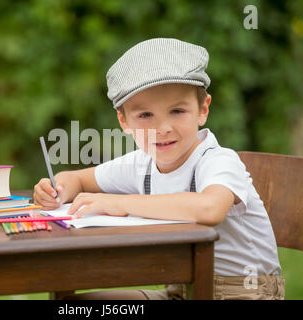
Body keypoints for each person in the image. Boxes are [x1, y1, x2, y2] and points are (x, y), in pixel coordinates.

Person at [33, 38, 285, 300]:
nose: (162, 128)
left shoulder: (217, 160)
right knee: (76, 305)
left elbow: (210, 208)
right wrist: (57, 189)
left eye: (177, 111)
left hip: (244, 293)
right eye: (145, 115)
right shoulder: (141, 164)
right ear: (124, 120)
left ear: (202, 109)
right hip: (180, 292)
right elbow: (78, 179)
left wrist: (123, 204)